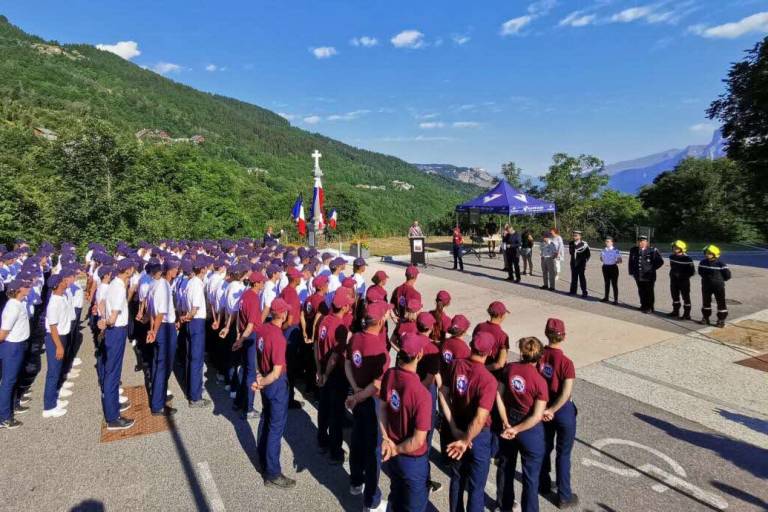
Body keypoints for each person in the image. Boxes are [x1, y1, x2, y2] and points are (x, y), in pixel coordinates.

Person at [439, 331, 498, 512]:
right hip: (477, 436)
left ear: (471, 346)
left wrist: (453, 427)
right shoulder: (488, 379)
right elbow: (480, 418)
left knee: (457, 478)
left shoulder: (456, 364)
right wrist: (466, 440)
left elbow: (443, 393)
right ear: (489, 353)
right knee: (476, 486)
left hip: (456, 427)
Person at [345, 301, 392, 512]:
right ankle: (371, 501)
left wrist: (355, 390)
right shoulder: (380, 349)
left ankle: (356, 482)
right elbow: (377, 384)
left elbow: (347, 363)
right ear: (381, 321)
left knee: (357, 440)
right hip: (369, 401)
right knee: (373, 451)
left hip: (357, 396)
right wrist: (360, 395)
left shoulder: (355, 337)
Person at [380, 333, 433, 512]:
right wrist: (396, 449)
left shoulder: (390, 374)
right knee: (414, 505)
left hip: (393, 449)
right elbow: (418, 440)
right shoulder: (422, 394)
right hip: (412, 458)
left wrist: (387, 439)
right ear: (419, 355)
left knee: (396, 495)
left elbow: (381, 408)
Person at [495, 337, 549, 512]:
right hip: (529, 429)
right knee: (530, 477)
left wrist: (505, 421)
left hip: (510, 417)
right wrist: (517, 429)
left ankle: (504, 505)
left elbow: (499, 396)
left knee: (505, 466)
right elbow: (536, 415)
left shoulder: (510, 369)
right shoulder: (540, 381)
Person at [252, 298, 296, 490]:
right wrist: (261, 381)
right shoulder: (278, 338)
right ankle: (272, 472)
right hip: (274, 383)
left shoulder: (262, 329)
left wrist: (258, 376)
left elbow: (256, 353)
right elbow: (277, 372)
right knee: (275, 428)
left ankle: (262, 457)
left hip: (265, 379)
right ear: (283, 314)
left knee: (266, 418)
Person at [538, 319, 578, 509]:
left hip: (543, 407)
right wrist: (553, 410)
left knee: (545, 447)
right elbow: (565, 393)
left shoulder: (539, 355)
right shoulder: (566, 363)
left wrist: (545, 410)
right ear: (563, 336)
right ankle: (564, 495)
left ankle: (543, 483)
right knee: (563, 453)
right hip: (561, 411)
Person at [315, 292, 352, 464]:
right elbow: (335, 357)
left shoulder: (324, 320)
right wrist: (326, 373)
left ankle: (322, 441)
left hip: (322, 369)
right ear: (343, 307)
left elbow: (316, 346)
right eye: (348, 304)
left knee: (323, 409)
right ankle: (335, 452)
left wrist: (319, 371)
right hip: (334, 374)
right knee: (336, 414)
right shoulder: (340, 327)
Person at [99, 259, 136, 430]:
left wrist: (102, 319)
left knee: (111, 370)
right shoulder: (120, 287)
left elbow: (101, 304)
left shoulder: (113, 283)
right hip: (116, 331)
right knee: (113, 373)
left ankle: (112, 404)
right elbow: (113, 318)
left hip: (113, 332)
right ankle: (113, 417)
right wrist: (106, 322)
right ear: (127, 270)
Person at [147, 259, 180, 417]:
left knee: (158, 363)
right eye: (175, 269)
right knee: (164, 366)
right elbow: (159, 312)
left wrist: (152, 329)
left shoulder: (155, 284)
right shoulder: (163, 285)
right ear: (168, 271)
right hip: (165, 328)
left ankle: (157, 398)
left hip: (162, 325)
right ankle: (158, 404)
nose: (177, 271)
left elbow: (152, 310)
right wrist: (154, 330)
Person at [0, 279, 32, 429]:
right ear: (18, 290)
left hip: (19, 344)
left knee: (14, 380)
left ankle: (13, 406)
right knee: (8, 382)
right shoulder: (13, 307)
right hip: (13, 347)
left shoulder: (18, 304)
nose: (29, 287)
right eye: (26, 286)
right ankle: (4, 417)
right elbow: (3, 333)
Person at [234, 271, 265, 418]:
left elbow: (240, 318)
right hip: (250, 337)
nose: (263, 284)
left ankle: (239, 402)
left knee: (244, 370)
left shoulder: (245, 295)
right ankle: (249, 409)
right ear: (256, 283)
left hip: (244, 335)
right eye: (262, 282)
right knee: (251, 372)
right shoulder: (253, 298)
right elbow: (251, 324)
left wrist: (239, 336)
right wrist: (241, 339)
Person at [43, 273, 72, 419]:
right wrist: (59, 346)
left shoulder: (62, 297)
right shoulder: (54, 303)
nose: (66, 281)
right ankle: (49, 406)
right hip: (56, 338)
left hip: (62, 336)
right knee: (53, 372)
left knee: (58, 370)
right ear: (58, 285)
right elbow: (53, 327)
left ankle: (54, 397)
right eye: (63, 280)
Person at [182, 260, 209, 408]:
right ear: (203, 269)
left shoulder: (190, 282)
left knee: (190, 357)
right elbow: (195, 308)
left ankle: (191, 388)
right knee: (196, 359)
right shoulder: (197, 284)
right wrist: (189, 316)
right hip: (196, 321)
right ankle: (195, 396)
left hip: (191, 322)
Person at [628, 235, 664, 313]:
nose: (641, 243)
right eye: (640, 241)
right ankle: (643, 305)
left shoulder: (652, 250)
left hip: (649, 275)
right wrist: (631, 272)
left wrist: (652, 269)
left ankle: (650, 307)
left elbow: (660, 262)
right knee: (641, 290)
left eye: (643, 241)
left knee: (649, 291)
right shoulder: (633, 250)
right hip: (638, 275)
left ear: (646, 242)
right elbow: (631, 261)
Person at [698, 245, 731, 328]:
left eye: (709, 253)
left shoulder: (721, 264)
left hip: (718, 286)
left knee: (721, 302)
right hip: (706, 285)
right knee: (706, 302)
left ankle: (721, 320)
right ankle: (705, 317)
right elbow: (700, 272)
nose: (707, 254)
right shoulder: (703, 262)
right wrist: (706, 279)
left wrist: (719, 281)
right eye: (706, 253)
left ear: (715, 254)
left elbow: (727, 275)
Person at [668, 241, 695, 320]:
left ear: (681, 249)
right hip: (674, 280)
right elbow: (672, 267)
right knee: (675, 296)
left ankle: (687, 314)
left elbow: (691, 272)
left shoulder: (687, 259)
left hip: (684, 281)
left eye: (676, 247)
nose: (674, 249)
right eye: (673, 247)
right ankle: (675, 311)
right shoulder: (672, 257)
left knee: (685, 297)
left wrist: (682, 276)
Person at [599, 237, 622, 304]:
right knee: (606, 283)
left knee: (614, 284)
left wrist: (615, 261)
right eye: (606, 241)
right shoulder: (603, 250)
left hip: (613, 268)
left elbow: (620, 260)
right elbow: (601, 258)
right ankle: (606, 297)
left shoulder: (616, 250)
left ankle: (615, 300)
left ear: (612, 242)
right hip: (605, 267)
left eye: (608, 241)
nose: (607, 243)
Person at [568, 231, 590, 297]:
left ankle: (584, 292)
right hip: (573, 263)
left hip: (581, 264)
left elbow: (588, 255)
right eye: (574, 235)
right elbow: (571, 252)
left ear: (580, 236)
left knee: (582, 278)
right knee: (573, 278)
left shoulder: (584, 244)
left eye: (576, 235)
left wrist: (584, 262)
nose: (574, 237)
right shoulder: (571, 243)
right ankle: (573, 291)